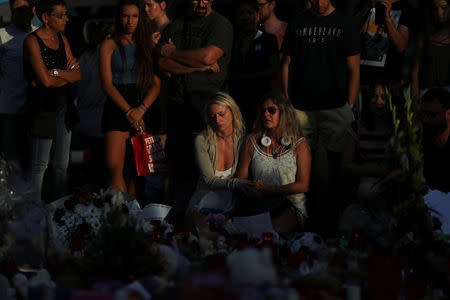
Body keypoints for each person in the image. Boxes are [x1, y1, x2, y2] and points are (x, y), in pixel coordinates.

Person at [281, 0, 360, 236]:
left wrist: (351, 105)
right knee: (302, 168)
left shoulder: (344, 22)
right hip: (302, 106)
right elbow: (286, 63)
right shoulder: (298, 22)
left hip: (336, 105)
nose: (318, 2)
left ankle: (339, 223)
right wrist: (287, 102)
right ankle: (305, 222)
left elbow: (354, 67)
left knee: (340, 167)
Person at [157, 0, 233, 215]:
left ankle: (204, 220)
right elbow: (161, 63)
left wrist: (173, 53)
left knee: (205, 169)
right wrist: (198, 66)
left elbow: (209, 56)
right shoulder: (177, 24)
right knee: (178, 168)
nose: (200, 3)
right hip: (177, 105)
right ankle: (177, 218)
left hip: (206, 108)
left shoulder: (220, 24)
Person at [99, 0, 161, 197]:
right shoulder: (108, 45)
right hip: (117, 106)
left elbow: (156, 84)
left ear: (140, 18)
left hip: (143, 106)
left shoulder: (148, 45)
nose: (129, 21)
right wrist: (128, 111)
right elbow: (107, 84)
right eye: (125, 16)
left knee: (141, 168)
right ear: (118, 17)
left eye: (134, 16)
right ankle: (122, 214)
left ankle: (137, 217)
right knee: (113, 165)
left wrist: (141, 109)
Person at [23, 0, 81, 202]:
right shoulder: (32, 41)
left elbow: (77, 74)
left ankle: (60, 211)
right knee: (40, 164)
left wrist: (56, 72)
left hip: (64, 107)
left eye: (66, 14)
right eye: (61, 15)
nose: (66, 18)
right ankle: (34, 214)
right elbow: (45, 82)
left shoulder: (62, 39)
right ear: (45, 18)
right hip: (43, 109)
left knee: (61, 165)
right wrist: (64, 75)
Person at [235, 93, 311, 235]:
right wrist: (250, 189)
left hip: (291, 207)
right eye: (263, 110)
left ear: (285, 113)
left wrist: (270, 190)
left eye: (271, 110)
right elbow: (240, 181)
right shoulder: (251, 142)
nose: (266, 114)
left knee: (269, 235)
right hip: (259, 204)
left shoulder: (300, 145)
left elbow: (303, 185)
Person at [187, 92, 252, 214]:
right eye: (212, 116)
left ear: (233, 112)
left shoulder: (245, 140)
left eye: (221, 114)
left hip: (233, 201)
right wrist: (237, 183)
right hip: (204, 198)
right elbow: (209, 181)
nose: (217, 120)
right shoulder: (202, 140)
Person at [229, 0, 279, 128]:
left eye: (249, 13)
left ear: (257, 15)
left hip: (261, 99)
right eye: (241, 13)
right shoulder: (232, 42)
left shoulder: (269, 40)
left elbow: (273, 69)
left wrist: (245, 77)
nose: (245, 17)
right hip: (236, 100)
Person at [0, 0, 37, 164]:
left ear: (33, 10)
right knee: (12, 160)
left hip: (35, 109)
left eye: (23, 9)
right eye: (14, 10)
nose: (19, 14)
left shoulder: (39, 35)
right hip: (9, 108)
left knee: (35, 161)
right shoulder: (2, 34)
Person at [356, 0, 411, 85]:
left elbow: (401, 47)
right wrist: (367, 7)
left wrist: (388, 19)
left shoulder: (404, 8)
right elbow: (351, 35)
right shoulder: (365, 4)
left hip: (388, 80)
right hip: (361, 77)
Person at [411, 0, 450, 99]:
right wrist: (415, 99)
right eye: (435, 9)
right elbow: (415, 71)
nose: (439, 13)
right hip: (427, 93)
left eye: (444, 8)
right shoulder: (424, 35)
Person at [419, 88, 449, 192]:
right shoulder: (422, 140)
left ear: (448, 114)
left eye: (432, 115)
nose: (425, 119)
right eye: (423, 114)